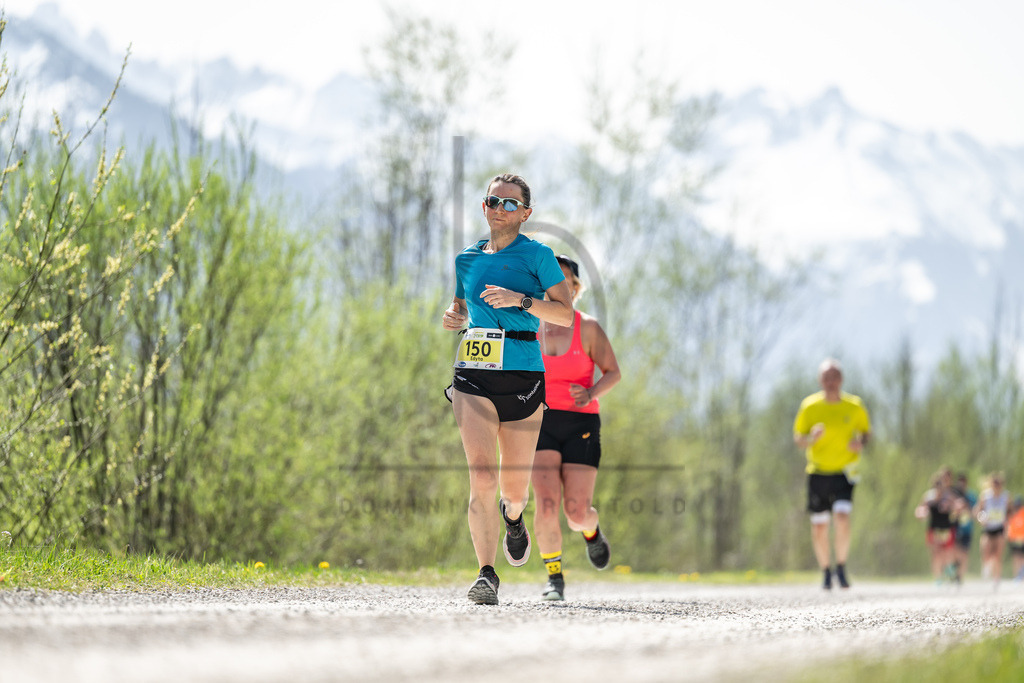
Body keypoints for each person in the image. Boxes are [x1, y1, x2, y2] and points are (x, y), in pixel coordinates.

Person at [442, 173, 574, 605]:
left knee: (512, 490)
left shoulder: (538, 256)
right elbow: (462, 304)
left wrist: (520, 301)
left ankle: (513, 518)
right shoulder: (466, 259)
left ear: (526, 213)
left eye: (509, 203)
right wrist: (453, 314)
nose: (499, 208)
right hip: (474, 373)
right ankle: (485, 574)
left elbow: (565, 315)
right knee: (480, 474)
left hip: (521, 373)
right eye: (492, 200)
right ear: (484, 207)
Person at [531, 255, 621, 601]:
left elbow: (613, 371)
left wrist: (592, 392)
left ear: (575, 288)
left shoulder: (588, 328)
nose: (557, 287)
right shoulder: (528, 325)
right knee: (547, 504)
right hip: (539, 421)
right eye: (550, 281)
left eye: (564, 281)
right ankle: (554, 578)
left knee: (576, 513)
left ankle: (591, 531)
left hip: (580, 422)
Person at [792, 358, 871, 590]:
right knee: (819, 526)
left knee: (843, 517)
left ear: (841, 380)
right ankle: (826, 570)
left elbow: (866, 433)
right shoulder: (810, 406)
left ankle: (841, 566)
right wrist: (810, 439)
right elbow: (798, 439)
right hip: (817, 473)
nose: (830, 382)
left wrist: (860, 443)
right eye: (826, 378)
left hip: (844, 472)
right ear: (820, 380)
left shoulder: (854, 406)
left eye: (834, 377)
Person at [914, 467, 960, 585]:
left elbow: (958, 507)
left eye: (941, 484)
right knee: (935, 554)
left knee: (946, 553)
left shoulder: (948, 496)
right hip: (933, 528)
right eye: (936, 484)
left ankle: (949, 569)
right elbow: (919, 510)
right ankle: (938, 578)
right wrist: (922, 513)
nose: (939, 487)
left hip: (946, 528)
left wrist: (951, 507)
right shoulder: (928, 497)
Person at [974, 472, 1011, 588]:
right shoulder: (985, 496)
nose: (996, 486)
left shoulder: (1006, 496)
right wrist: (981, 518)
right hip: (988, 528)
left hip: (1000, 528)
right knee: (986, 551)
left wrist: (1007, 521)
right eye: (994, 483)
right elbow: (977, 511)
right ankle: (986, 568)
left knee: (998, 554)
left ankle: (996, 579)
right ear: (991, 484)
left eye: (998, 483)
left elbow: (1010, 511)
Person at [951, 471, 977, 582]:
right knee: (954, 550)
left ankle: (960, 575)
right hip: (955, 527)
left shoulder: (971, 496)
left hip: (967, 527)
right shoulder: (954, 494)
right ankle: (954, 571)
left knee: (964, 552)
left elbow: (976, 511)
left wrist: (967, 509)